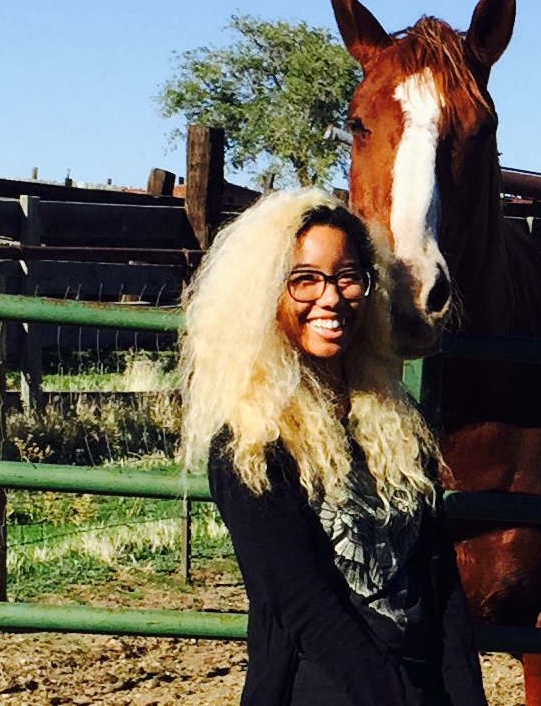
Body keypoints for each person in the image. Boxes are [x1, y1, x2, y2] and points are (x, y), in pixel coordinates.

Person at [179, 188, 488, 706]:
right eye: (305, 280)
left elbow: (440, 578)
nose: (331, 297)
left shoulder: (393, 422)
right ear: (266, 294)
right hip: (324, 689)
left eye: (348, 277)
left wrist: (464, 694)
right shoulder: (251, 440)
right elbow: (302, 606)